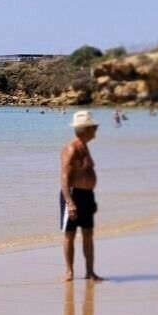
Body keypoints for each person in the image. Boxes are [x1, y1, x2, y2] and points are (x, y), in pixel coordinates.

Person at [59, 110, 103, 282]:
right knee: (70, 234)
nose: (96, 129)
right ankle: (69, 271)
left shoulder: (84, 146)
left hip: (86, 195)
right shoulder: (72, 149)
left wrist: (92, 199)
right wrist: (69, 203)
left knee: (88, 233)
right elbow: (64, 178)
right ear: (86, 129)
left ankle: (90, 272)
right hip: (72, 194)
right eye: (94, 127)